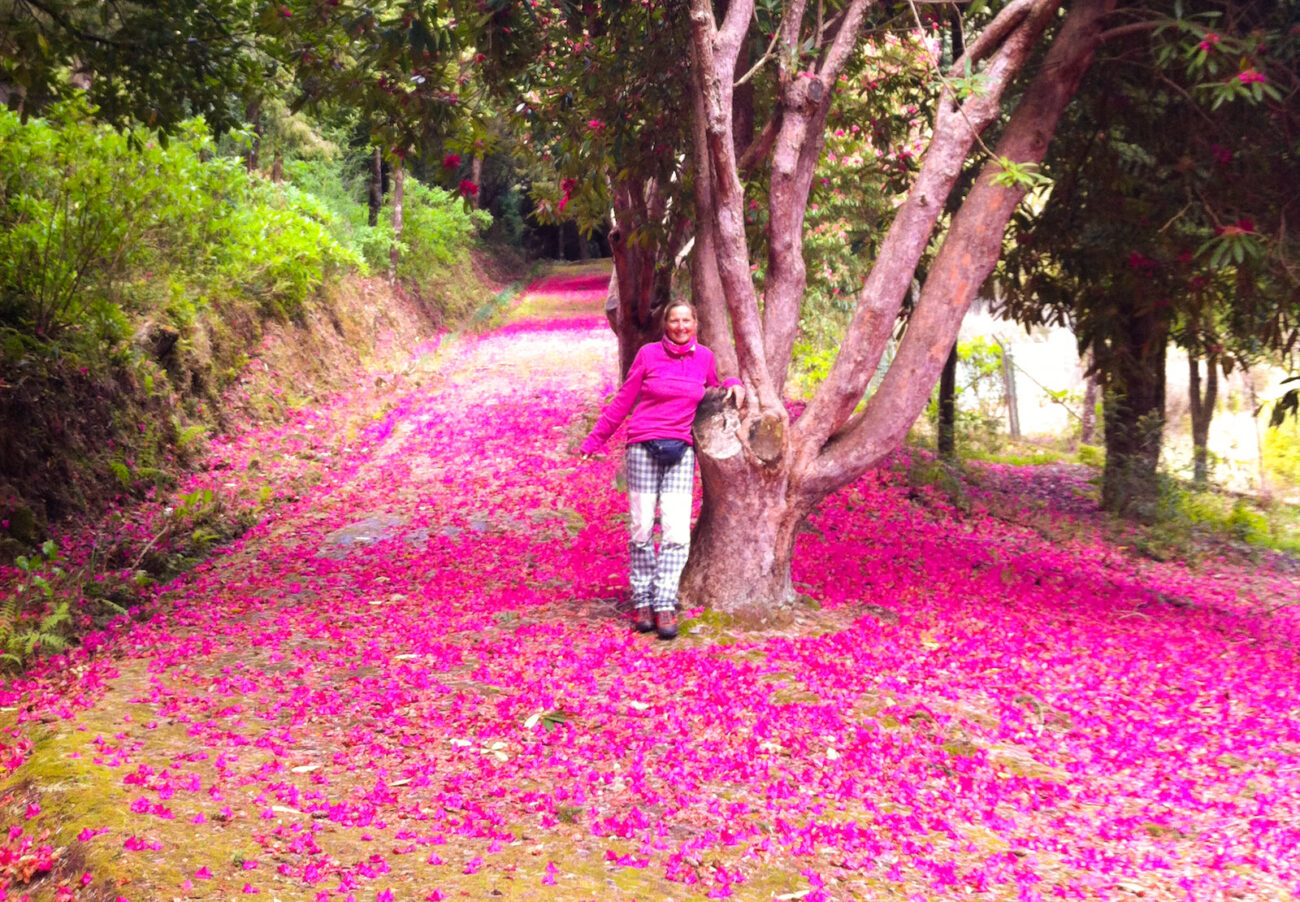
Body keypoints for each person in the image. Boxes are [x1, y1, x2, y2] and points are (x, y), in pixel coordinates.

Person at [579, 301, 742, 640]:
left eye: (686, 320)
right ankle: (641, 600)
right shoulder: (648, 355)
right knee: (640, 528)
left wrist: (734, 381)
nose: (681, 326)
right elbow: (624, 399)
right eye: (675, 320)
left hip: (680, 450)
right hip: (642, 446)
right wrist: (594, 440)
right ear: (666, 324)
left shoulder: (704, 358)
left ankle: (663, 601)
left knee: (677, 533)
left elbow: (714, 385)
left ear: (694, 323)